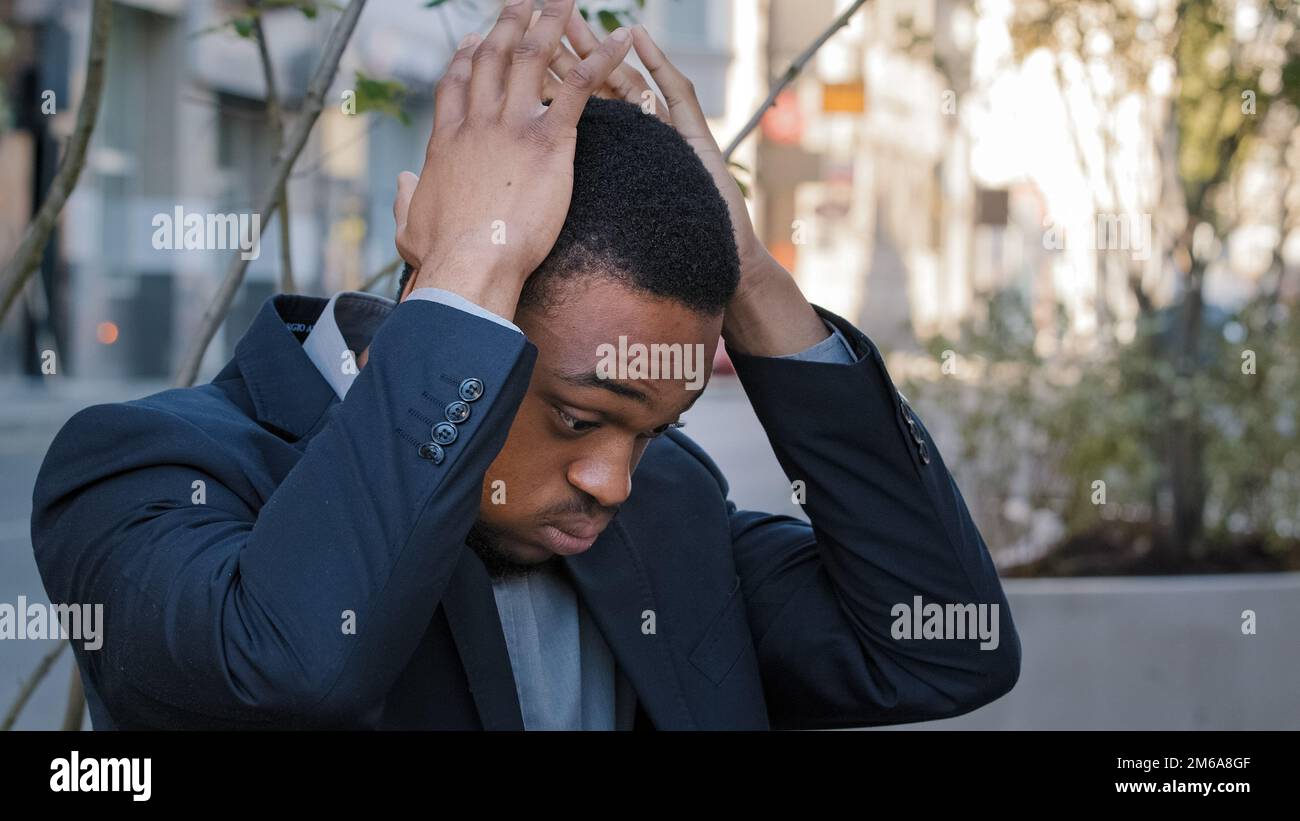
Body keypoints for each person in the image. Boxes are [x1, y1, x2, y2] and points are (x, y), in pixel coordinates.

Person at [31, 0, 1019, 730]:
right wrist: (465, 263)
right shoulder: (144, 473)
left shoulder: (669, 510)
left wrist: (750, 272)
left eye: (654, 428)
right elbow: (290, 668)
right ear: (464, 301)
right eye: (582, 417)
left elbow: (944, 643)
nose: (614, 480)